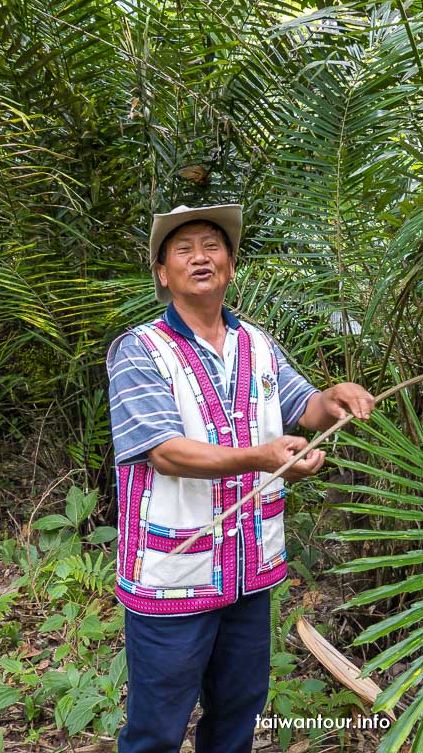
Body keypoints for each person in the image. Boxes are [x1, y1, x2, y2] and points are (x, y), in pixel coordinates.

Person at [106, 203, 374, 753]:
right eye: (183, 249)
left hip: (249, 571)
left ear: (229, 265)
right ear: (163, 273)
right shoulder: (141, 350)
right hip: (175, 570)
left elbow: (304, 408)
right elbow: (164, 452)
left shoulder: (258, 344)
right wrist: (262, 457)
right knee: (156, 728)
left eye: (212, 245)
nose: (200, 257)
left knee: (236, 715)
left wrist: (333, 399)